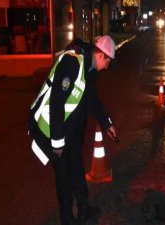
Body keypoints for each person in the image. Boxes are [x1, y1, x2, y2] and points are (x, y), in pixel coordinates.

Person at [28, 35, 117, 225]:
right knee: (63, 175)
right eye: (107, 61)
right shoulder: (72, 63)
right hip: (55, 130)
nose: (107, 66)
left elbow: (92, 99)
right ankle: (67, 218)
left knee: (76, 168)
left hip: (73, 130)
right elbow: (57, 103)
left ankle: (84, 208)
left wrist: (107, 123)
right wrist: (58, 141)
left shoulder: (91, 69)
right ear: (100, 55)